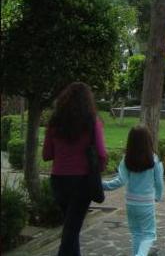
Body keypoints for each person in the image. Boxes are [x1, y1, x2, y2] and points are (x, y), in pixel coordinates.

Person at [43, 82, 107, 256]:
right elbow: (101, 153)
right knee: (71, 231)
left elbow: (47, 154)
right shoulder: (92, 122)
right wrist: (98, 169)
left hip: (58, 181)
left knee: (71, 227)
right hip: (82, 181)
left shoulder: (54, 122)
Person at [103, 125, 164, 256]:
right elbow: (159, 182)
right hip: (146, 203)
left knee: (136, 233)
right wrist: (158, 196)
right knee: (149, 234)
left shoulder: (126, 159)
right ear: (148, 140)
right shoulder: (154, 159)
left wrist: (103, 185)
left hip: (131, 203)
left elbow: (121, 181)